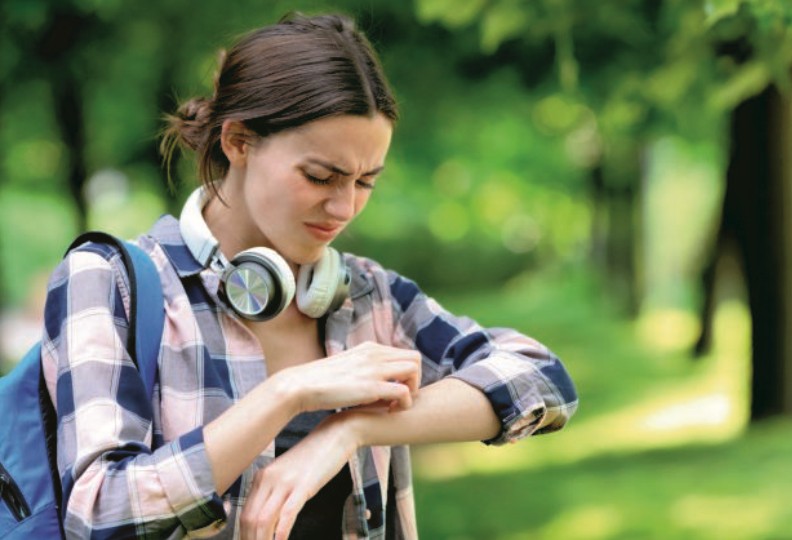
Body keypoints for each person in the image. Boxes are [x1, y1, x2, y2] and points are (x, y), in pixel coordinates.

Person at [40, 12, 578, 540]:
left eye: (366, 181)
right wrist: (287, 394)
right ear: (238, 142)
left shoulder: (370, 296)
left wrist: (351, 428)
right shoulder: (111, 282)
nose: (344, 207)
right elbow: (99, 513)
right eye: (321, 176)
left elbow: (543, 380)